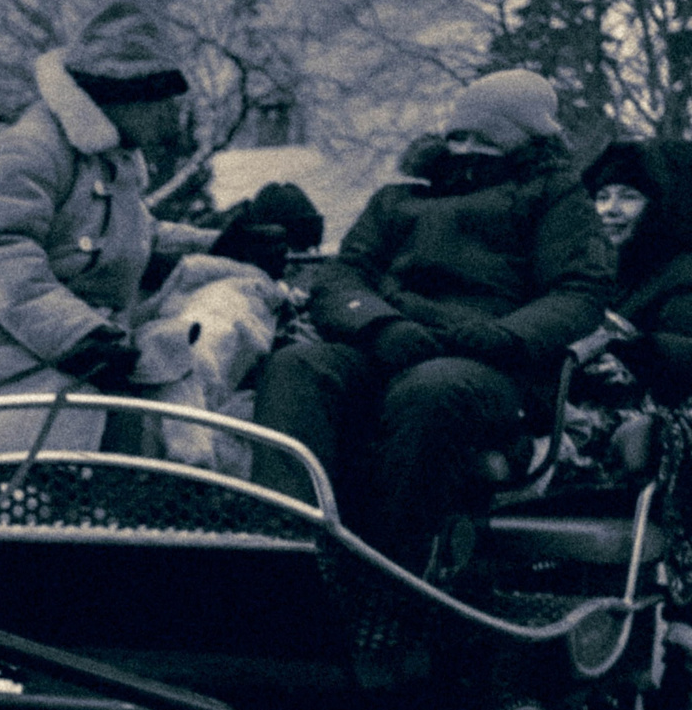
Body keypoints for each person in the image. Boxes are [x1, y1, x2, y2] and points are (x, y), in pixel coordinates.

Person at [250, 68, 612, 576]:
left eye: (485, 138)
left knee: (432, 391)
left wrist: (505, 336)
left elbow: (579, 290)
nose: (465, 148)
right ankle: (280, 549)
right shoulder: (401, 199)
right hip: (390, 341)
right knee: (298, 367)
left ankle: (396, 569)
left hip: (490, 363)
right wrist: (378, 326)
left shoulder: (554, 198)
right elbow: (342, 276)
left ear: (524, 139)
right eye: (457, 135)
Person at [0, 0, 228, 457]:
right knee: (123, 438)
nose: (169, 118)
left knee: (186, 368)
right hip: (5, 356)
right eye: (161, 103)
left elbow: (138, 234)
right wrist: (76, 335)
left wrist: (223, 243)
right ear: (122, 95)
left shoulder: (111, 158)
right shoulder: (31, 151)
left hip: (90, 350)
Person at [579, 137, 692, 401]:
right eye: (602, 197)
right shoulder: (588, 269)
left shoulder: (682, 275)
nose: (609, 210)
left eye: (629, 197)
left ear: (658, 207)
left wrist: (634, 362)